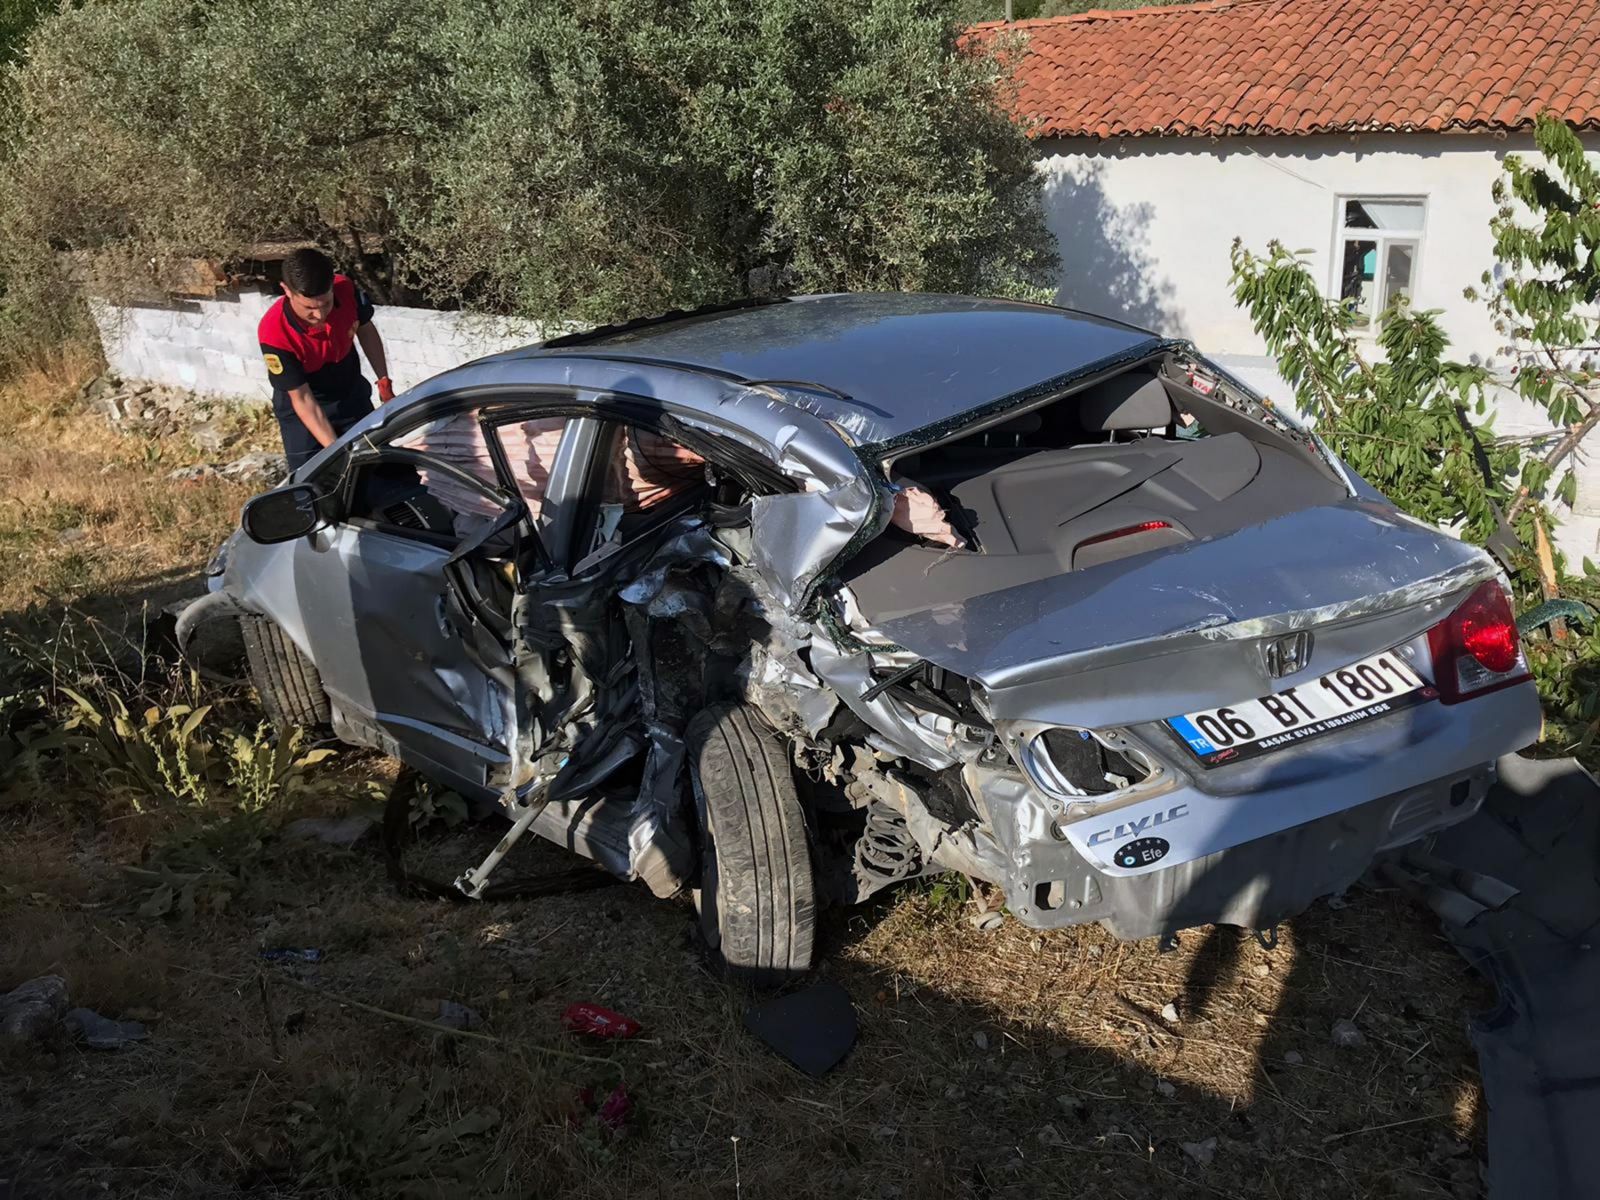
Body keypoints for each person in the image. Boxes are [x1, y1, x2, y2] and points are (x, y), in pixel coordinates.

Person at [257, 248, 395, 473]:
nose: (320, 316)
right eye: (309, 308)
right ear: (286, 291)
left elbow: (366, 329)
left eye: (326, 304)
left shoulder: (346, 289)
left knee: (378, 466)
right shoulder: (274, 332)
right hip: (305, 406)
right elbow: (302, 399)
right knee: (316, 482)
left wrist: (383, 381)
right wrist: (338, 452)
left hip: (350, 392)